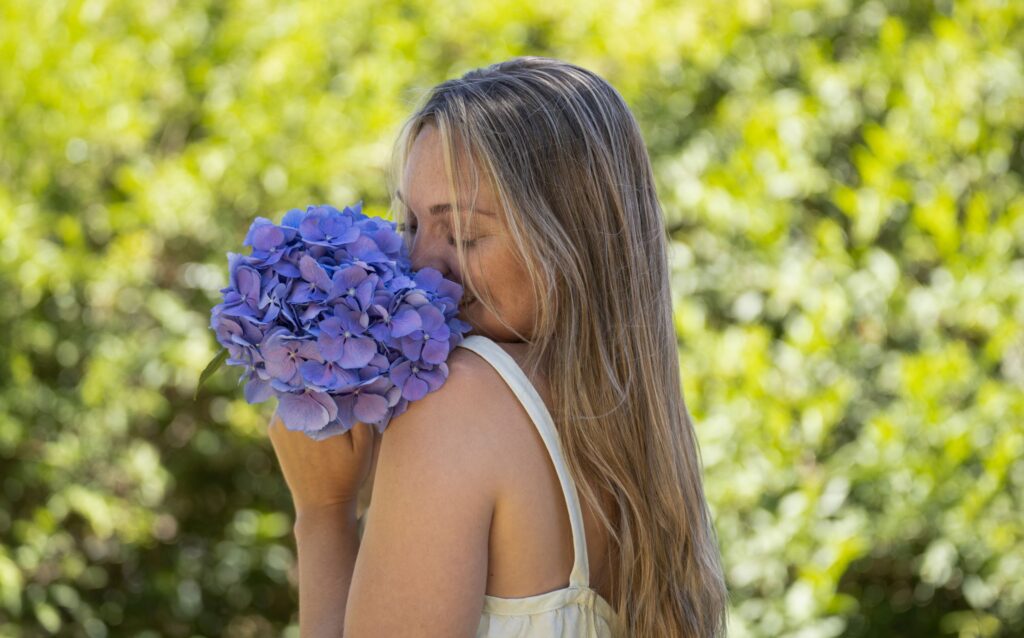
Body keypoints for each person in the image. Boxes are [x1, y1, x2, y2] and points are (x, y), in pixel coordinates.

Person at [268, 56, 728, 637]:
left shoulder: (457, 402)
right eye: (412, 227)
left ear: (569, 238)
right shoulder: (644, 453)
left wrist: (324, 513)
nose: (419, 268)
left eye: (462, 233)